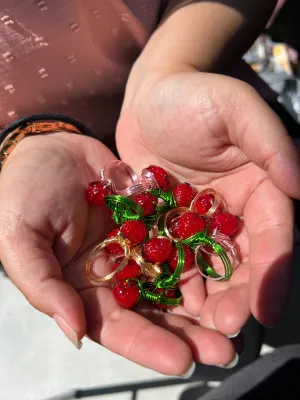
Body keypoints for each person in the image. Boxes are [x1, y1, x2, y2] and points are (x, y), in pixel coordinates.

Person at [0, 0, 298, 377]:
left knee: (242, 308)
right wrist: (14, 146)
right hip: (46, 183)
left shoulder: (174, 215)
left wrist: (168, 68)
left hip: (188, 128)